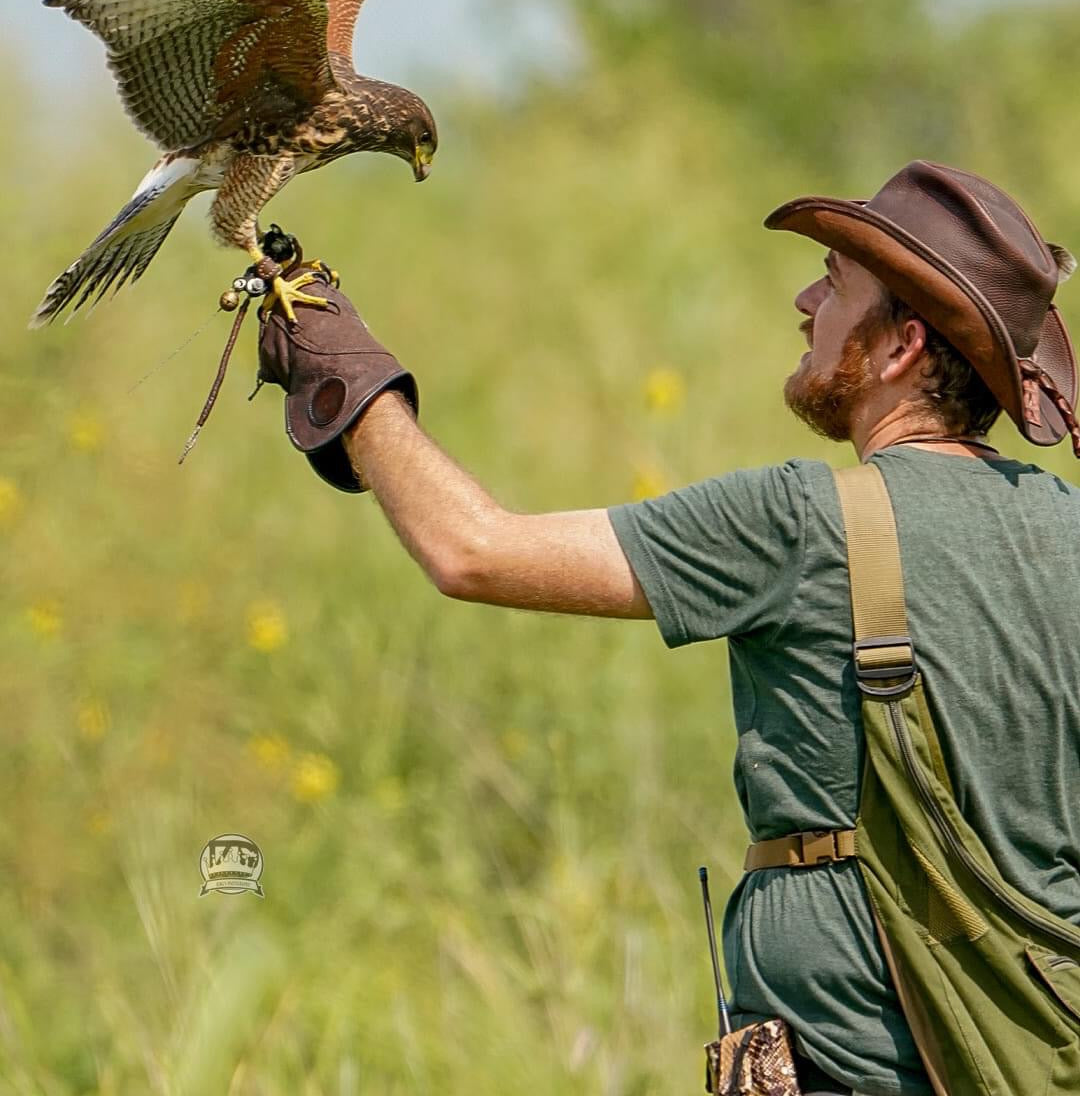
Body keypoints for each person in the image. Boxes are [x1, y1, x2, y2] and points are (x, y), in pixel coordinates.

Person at [256, 160, 1080, 1096]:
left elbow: (471, 550)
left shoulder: (799, 521)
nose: (805, 301)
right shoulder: (1070, 532)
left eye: (838, 286)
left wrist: (350, 379)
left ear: (902, 348)